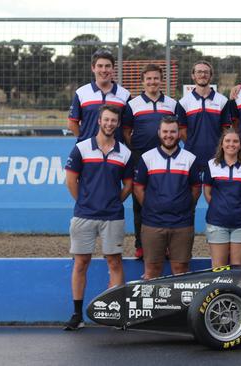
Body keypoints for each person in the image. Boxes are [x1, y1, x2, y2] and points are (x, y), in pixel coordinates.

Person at [63, 105, 133, 330]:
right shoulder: (81, 148)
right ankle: (76, 315)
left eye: (114, 120)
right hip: (84, 215)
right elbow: (71, 180)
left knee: (114, 261)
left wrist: (114, 201)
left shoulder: (125, 152)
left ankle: (116, 315)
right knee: (81, 263)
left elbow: (129, 184)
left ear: (117, 123)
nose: (110, 124)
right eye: (106, 120)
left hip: (112, 216)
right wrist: (84, 202)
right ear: (99, 121)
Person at [122, 63, 180, 259]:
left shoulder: (172, 104)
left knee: (167, 199)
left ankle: (168, 245)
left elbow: (177, 130)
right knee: (140, 202)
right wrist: (138, 152)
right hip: (141, 158)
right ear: (143, 81)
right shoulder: (133, 104)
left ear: (161, 80)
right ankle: (141, 245)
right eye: (149, 78)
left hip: (166, 158)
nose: (152, 82)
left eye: (156, 78)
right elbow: (126, 132)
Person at [133, 116, 200, 279]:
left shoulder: (190, 158)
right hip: (153, 223)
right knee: (152, 270)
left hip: (182, 223)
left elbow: (196, 189)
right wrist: (151, 207)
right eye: (165, 131)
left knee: (181, 269)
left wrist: (185, 207)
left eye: (172, 131)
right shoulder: (147, 158)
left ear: (178, 134)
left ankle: (180, 306)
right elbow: (138, 188)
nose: (168, 135)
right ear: (159, 133)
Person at [203, 128, 241, 268]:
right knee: (218, 268)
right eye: (227, 141)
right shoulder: (211, 165)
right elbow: (207, 193)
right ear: (222, 144)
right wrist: (219, 207)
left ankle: (233, 292)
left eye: (235, 141)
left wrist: (239, 208)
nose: (231, 144)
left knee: (237, 268)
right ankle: (221, 292)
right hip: (217, 222)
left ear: (240, 145)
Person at [177, 60, 231, 170]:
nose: (203, 75)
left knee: (213, 187)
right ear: (193, 75)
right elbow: (182, 132)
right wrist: (193, 145)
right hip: (191, 156)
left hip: (217, 156)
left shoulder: (222, 101)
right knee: (193, 187)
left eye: (206, 72)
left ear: (211, 76)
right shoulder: (183, 102)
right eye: (199, 72)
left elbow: (225, 130)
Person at [68, 49, 131, 143]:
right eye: (100, 66)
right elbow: (72, 123)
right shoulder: (81, 92)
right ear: (93, 68)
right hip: (88, 153)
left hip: (115, 154)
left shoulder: (125, 94)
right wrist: (85, 141)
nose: (104, 70)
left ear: (113, 68)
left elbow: (127, 128)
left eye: (108, 66)